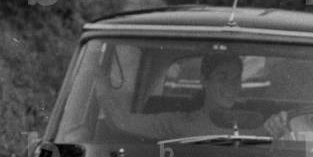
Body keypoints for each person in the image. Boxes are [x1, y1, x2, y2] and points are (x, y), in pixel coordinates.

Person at [99, 51, 255, 140]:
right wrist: (98, 79)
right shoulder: (178, 122)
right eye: (222, 78)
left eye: (236, 78)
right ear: (204, 80)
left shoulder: (256, 123)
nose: (231, 86)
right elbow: (122, 122)